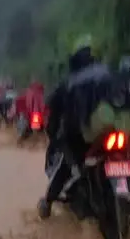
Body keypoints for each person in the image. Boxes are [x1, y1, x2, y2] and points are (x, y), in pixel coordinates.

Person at [38, 35, 114, 219]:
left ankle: (47, 202)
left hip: (81, 137)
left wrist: (54, 132)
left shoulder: (70, 82)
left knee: (66, 163)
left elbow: (54, 107)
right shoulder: (108, 73)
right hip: (113, 132)